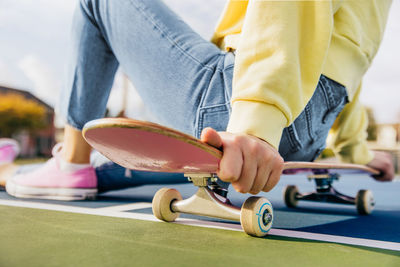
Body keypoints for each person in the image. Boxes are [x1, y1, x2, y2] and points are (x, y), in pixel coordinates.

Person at [5, 0, 395, 201]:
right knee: (165, 150)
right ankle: (92, 168)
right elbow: (341, 60)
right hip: (305, 136)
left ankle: (71, 164)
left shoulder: (252, 113)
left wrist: (255, 124)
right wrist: (353, 151)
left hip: (241, 109)